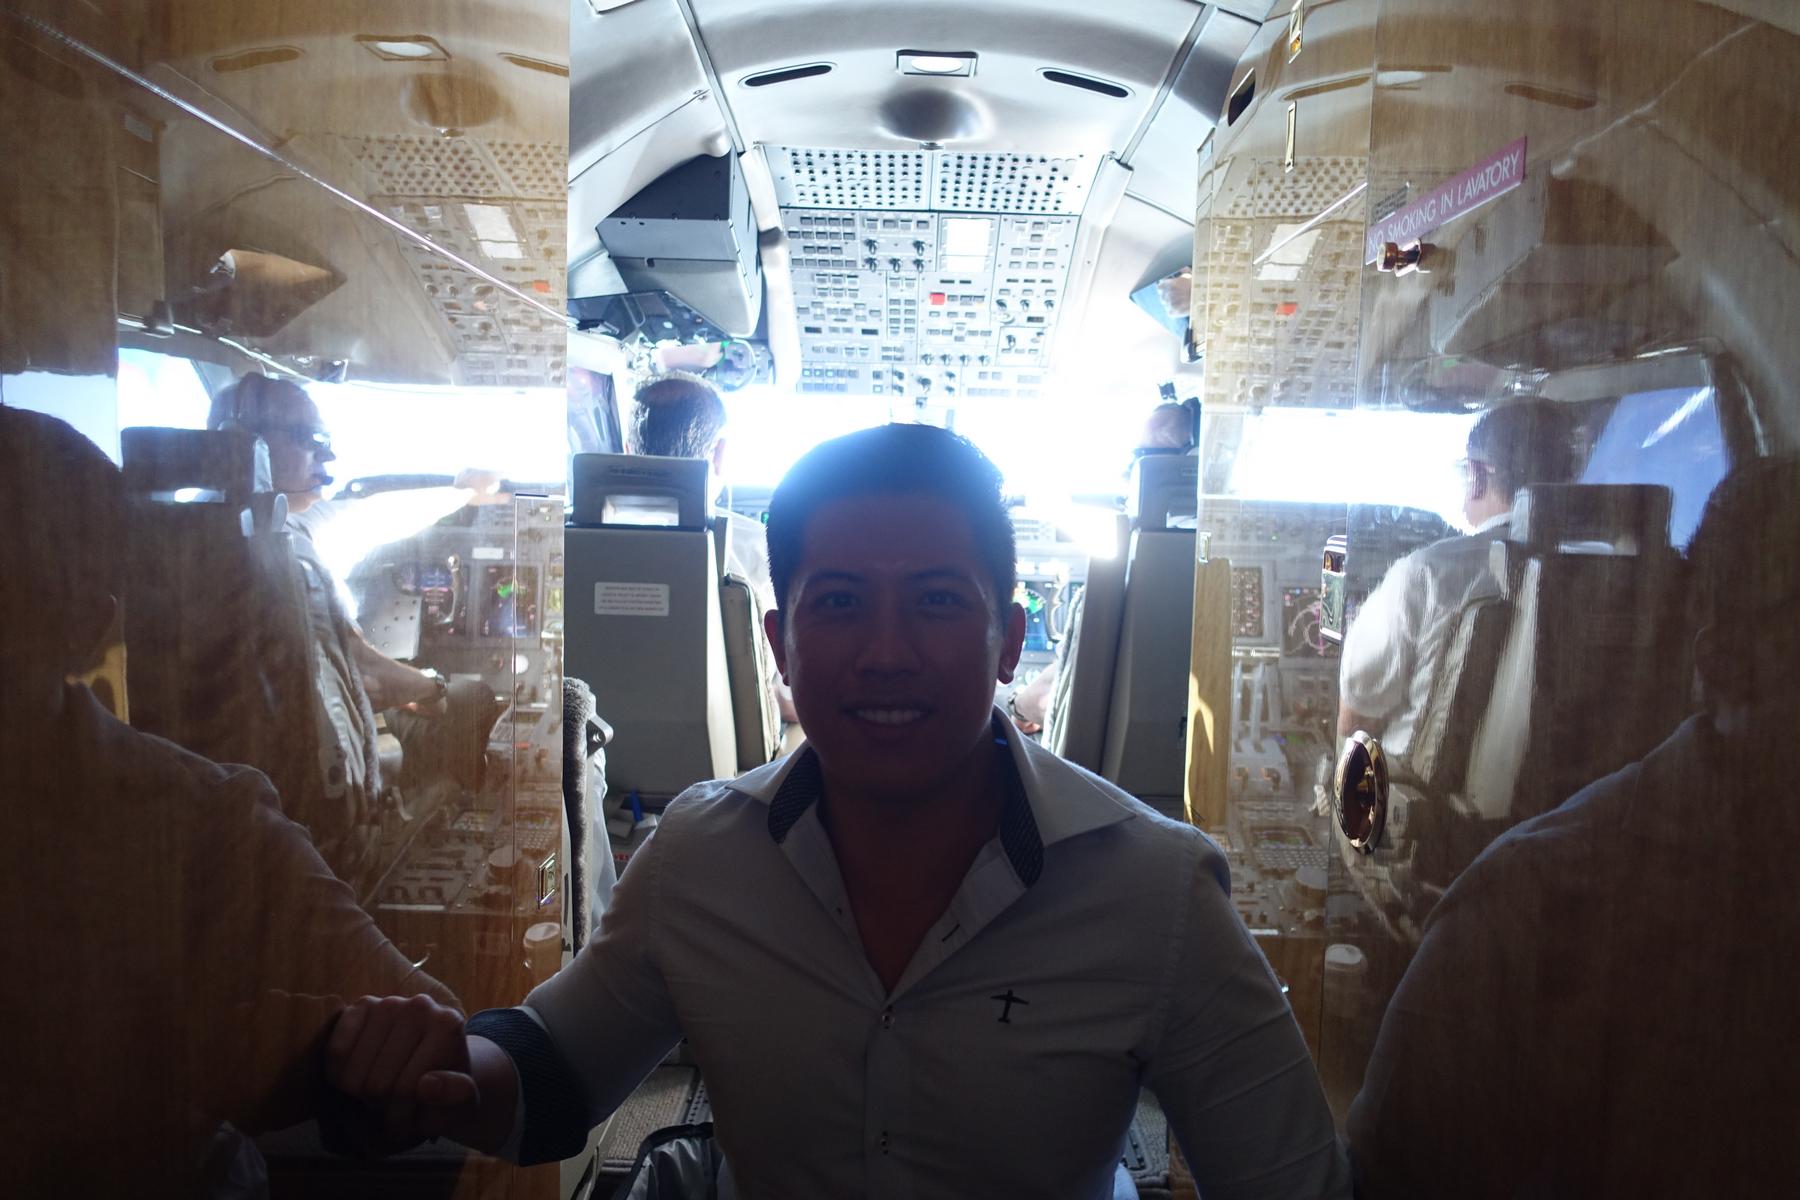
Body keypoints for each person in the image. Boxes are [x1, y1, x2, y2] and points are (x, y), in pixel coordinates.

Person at [324, 423, 1349, 1198]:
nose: (886, 653)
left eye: (937, 600)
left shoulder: (1158, 892)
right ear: (782, 646)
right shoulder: (699, 855)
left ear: (1008, 642)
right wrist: (441, 1070)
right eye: (842, 603)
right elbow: (556, 1067)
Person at [0, 408, 455, 1193]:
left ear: (86, 627)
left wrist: (317, 1064)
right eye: (304, 435)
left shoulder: (201, 820)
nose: (322, 454)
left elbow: (430, 1037)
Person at [1347, 456, 1800, 1197]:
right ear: (1720, 663)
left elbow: (1355, 728)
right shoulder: (1525, 910)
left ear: (1477, 476)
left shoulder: (1522, 906)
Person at [207, 373, 504, 881]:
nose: (328, 456)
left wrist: (459, 493)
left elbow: (367, 517)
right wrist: (431, 686)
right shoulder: (285, 558)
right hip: (326, 818)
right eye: (310, 439)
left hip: (245, 789)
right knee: (471, 700)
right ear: (246, 441)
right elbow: (368, 679)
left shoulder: (211, 534)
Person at [1336, 398, 1574, 757]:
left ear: (1477, 476)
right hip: (1587, 789)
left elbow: (1355, 721)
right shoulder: (1617, 572)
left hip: (1423, 790)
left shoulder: (1428, 573)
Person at [1009, 401, 1197, 733]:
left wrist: (1016, 704)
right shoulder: (1193, 557)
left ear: (1190, 465)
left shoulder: (1123, 583)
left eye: (1142, 455)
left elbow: (1057, 698)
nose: (1129, 472)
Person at [631, 370, 795, 723]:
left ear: (629, 451)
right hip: (726, 753)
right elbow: (782, 688)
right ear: (720, 453)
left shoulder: (569, 545)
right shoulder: (755, 547)